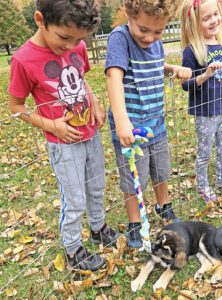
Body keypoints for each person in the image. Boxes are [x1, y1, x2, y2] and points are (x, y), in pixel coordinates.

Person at [8, 0, 118, 271]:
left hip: (90, 133)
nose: (71, 46)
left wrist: (96, 102)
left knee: (96, 185)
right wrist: (51, 125)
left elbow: (81, 79)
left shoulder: (78, 44)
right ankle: (73, 250)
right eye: (64, 37)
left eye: (79, 39)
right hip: (64, 143)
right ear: (40, 20)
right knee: (74, 197)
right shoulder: (23, 60)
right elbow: (15, 108)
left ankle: (98, 227)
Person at [105, 0, 192, 248]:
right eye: (143, 30)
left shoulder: (155, 41)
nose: (150, 37)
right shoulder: (120, 39)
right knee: (135, 178)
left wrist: (172, 67)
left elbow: (154, 65)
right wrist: (122, 121)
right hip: (131, 130)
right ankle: (135, 222)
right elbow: (114, 76)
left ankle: (163, 206)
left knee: (161, 170)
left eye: (158, 31)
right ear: (128, 14)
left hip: (157, 123)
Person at [181, 0, 222, 203]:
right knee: (205, 151)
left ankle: (221, 181)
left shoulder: (221, 44)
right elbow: (185, 84)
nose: (214, 20)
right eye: (207, 18)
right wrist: (205, 75)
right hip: (205, 111)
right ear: (194, 24)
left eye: (215, 14)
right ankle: (203, 187)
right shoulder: (192, 51)